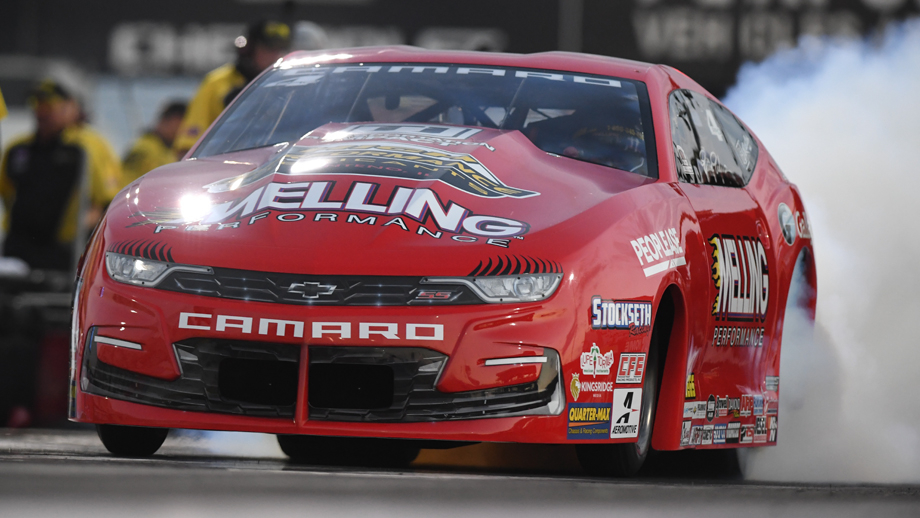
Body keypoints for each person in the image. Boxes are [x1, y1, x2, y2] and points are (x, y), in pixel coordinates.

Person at [0, 80, 123, 271]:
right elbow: (6, 192)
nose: (42, 110)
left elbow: (109, 199)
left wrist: (85, 227)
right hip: (19, 247)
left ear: (72, 107)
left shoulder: (87, 146)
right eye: (37, 103)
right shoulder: (18, 148)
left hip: (65, 252)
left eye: (50, 104)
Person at [173, 20, 291, 156]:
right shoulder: (216, 83)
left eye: (280, 49)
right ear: (249, 49)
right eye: (268, 48)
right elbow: (187, 146)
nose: (275, 55)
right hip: (222, 168)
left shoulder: (288, 87)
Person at [122, 101, 187, 182]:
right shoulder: (145, 149)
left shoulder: (165, 149)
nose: (182, 132)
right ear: (168, 120)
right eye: (180, 125)